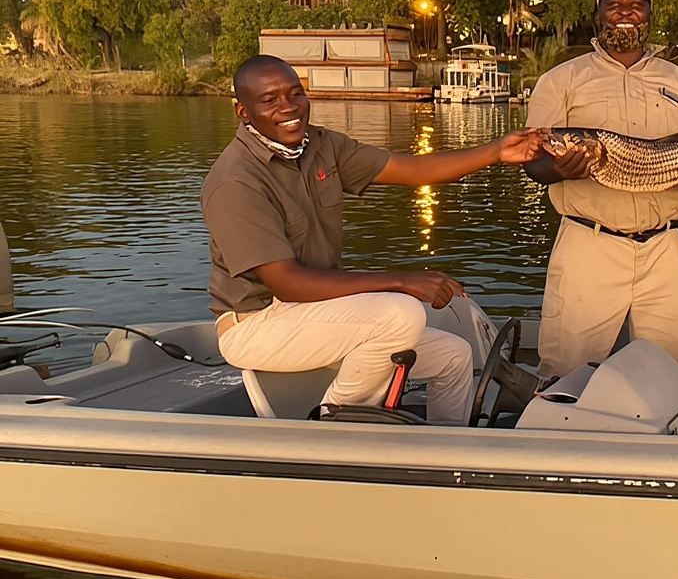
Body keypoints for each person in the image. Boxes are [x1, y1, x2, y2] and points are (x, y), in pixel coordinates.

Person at [202, 54, 544, 424]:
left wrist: (496, 152)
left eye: (295, 93)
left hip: (311, 312)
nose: (289, 107)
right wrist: (400, 281)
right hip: (257, 324)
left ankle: (446, 454)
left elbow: (411, 170)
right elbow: (287, 282)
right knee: (401, 313)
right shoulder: (235, 182)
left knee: (454, 355)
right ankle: (334, 429)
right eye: (270, 100)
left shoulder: (319, 145)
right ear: (243, 112)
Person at [523, 0, 678, 379]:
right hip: (588, 244)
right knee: (564, 371)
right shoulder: (562, 80)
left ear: (649, 15)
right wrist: (559, 170)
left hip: (665, 245)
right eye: (614, 5)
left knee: (676, 372)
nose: (625, 13)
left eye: (636, 4)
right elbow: (533, 161)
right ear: (598, 16)